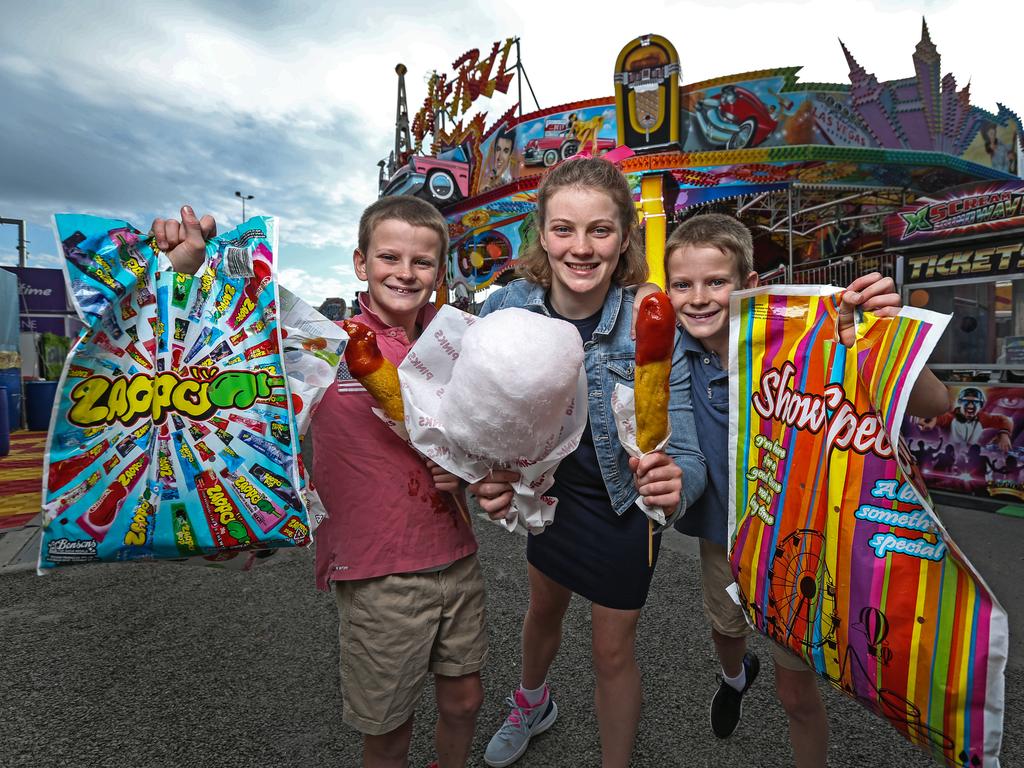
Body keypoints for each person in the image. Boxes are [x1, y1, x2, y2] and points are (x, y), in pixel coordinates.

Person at [153, 198, 486, 768]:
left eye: (422, 262)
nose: (405, 272)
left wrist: (467, 468)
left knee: (464, 700)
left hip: (456, 554)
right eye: (388, 256)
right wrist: (185, 270)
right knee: (388, 729)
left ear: (440, 272)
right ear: (361, 263)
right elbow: (219, 338)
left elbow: (488, 436)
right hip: (377, 569)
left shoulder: (458, 347)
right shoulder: (321, 346)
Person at [662, 212, 950, 768]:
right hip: (721, 538)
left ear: (748, 285)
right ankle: (733, 675)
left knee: (795, 693)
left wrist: (876, 334)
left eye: (715, 282)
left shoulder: (804, 338)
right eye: (683, 284)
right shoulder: (671, 353)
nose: (697, 299)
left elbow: (935, 405)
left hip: (789, 543)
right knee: (725, 631)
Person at [469, 156, 707, 768]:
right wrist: (486, 477)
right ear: (542, 234)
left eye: (600, 230)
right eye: (564, 229)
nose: (581, 247)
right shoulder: (508, 311)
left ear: (625, 236)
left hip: (625, 505)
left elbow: (684, 445)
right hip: (552, 497)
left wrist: (678, 480)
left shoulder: (652, 320)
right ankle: (531, 701)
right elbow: (466, 417)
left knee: (612, 651)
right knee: (542, 609)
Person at [483, 125, 516, 191]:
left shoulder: (510, 179)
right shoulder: (490, 176)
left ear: (510, 154)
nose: (499, 157)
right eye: (498, 149)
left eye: (505, 151)